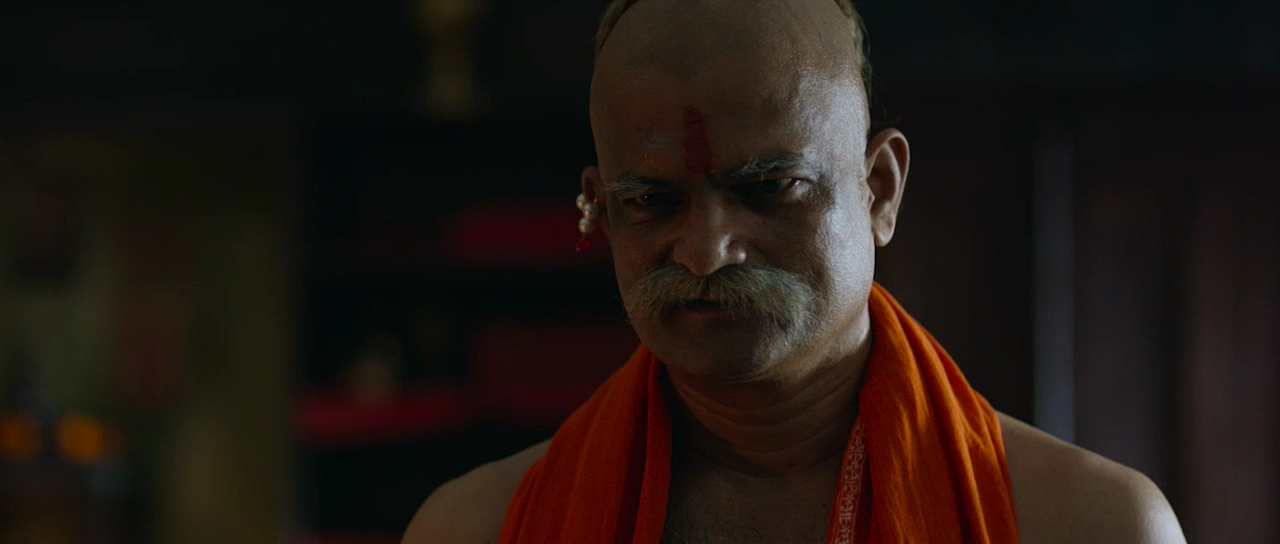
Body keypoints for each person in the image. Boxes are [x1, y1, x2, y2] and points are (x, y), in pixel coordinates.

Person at [403, 0, 1187, 542]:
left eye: (770, 187)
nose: (707, 251)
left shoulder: (1088, 526)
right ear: (599, 211)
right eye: (651, 201)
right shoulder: (477, 529)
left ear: (880, 189)